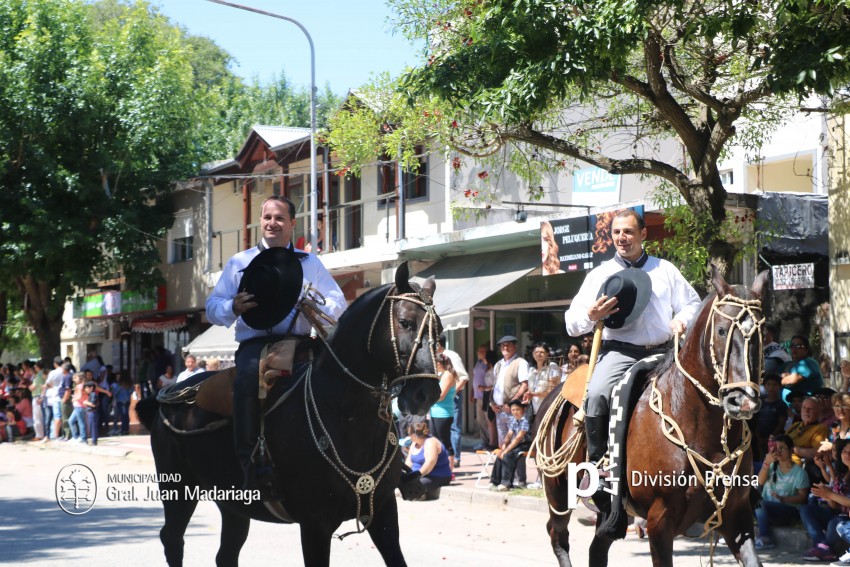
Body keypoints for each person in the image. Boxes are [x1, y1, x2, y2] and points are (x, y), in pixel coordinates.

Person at [205, 195, 346, 496]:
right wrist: (232, 306)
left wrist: (314, 303)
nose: (272, 223)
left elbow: (339, 302)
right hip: (256, 345)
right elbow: (212, 308)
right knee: (246, 381)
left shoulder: (310, 262)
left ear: (292, 224)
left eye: (279, 218)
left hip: (301, 342)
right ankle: (250, 464)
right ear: (260, 221)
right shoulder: (239, 262)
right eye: (267, 217)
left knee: (344, 374)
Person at [564, 209, 701, 509]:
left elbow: (693, 303)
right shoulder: (599, 274)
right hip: (620, 352)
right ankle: (598, 467)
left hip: (666, 350)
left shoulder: (665, 269)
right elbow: (571, 322)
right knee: (597, 393)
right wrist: (590, 315)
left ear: (643, 234)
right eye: (616, 232)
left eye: (628, 231)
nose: (621, 238)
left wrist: (681, 319)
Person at [754, 434, 810, 550]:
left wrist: (783, 499)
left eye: (782, 448)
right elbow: (760, 482)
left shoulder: (800, 473)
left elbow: (803, 497)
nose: (778, 452)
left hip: (788, 511)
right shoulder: (771, 466)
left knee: (758, 502)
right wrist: (766, 463)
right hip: (766, 510)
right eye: (776, 448)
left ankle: (766, 538)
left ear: (791, 450)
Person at [799, 439, 850, 561]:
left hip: (845, 519)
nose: (847, 455)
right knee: (807, 509)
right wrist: (827, 496)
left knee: (836, 523)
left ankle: (825, 549)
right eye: (844, 451)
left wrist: (831, 495)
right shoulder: (841, 473)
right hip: (838, 514)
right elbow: (835, 506)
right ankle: (822, 545)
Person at [490, 335, 530, 446]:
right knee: (502, 444)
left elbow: (524, 385)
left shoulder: (521, 362)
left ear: (515, 347)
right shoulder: (498, 365)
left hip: (514, 410)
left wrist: (511, 403)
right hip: (499, 410)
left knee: (515, 444)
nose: (505, 348)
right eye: (503, 345)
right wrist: (492, 404)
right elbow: (495, 386)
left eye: (508, 345)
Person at [437, 334, 469, 468]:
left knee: (454, 427)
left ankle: (455, 458)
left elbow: (464, 377)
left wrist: (452, 392)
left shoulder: (451, 355)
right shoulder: (434, 356)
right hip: (438, 401)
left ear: (438, 343)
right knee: (439, 431)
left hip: (451, 397)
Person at [489, 399, 532, 491]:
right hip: (518, 444)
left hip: (527, 444)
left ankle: (506, 483)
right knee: (500, 455)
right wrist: (504, 447)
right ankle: (495, 481)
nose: (515, 412)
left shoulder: (526, 420)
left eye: (517, 409)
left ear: (523, 410)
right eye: (513, 410)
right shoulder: (514, 420)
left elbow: (518, 438)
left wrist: (506, 451)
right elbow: (509, 435)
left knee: (508, 455)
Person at [405, 421, 452, 500]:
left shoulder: (430, 443)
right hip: (421, 476)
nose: (409, 436)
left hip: (436, 476)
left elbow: (429, 464)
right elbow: (409, 461)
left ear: (414, 435)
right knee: (404, 484)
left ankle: (422, 495)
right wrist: (405, 474)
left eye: (409, 434)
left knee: (413, 486)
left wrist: (415, 476)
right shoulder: (414, 443)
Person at [430, 354, 457, 470]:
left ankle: (449, 470)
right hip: (434, 412)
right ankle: (439, 468)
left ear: (439, 363)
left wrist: (428, 399)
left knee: (444, 441)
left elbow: (441, 396)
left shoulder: (448, 375)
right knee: (435, 441)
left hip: (443, 413)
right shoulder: (441, 375)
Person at [755, 374, 788, 466]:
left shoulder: (781, 404)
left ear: (779, 387)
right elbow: (756, 421)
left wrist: (770, 437)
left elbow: (781, 423)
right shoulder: (760, 403)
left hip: (775, 439)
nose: (771, 387)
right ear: (764, 386)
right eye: (769, 384)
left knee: (774, 461)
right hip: (760, 439)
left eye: (774, 385)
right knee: (763, 462)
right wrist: (758, 437)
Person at [786, 396, 829, 468]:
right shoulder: (796, 425)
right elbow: (783, 440)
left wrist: (792, 449)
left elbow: (818, 452)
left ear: (818, 411)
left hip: (796, 467)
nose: (806, 411)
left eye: (810, 408)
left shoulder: (820, 428)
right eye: (804, 408)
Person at [781, 335, 824, 399]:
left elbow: (792, 380)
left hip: (806, 403)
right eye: (792, 346)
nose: (794, 349)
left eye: (799, 346)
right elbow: (774, 377)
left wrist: (780, 380)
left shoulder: (809, 363)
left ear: (806, 349)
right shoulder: (787, 364)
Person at [525, 342, 561, 416]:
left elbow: (552, 392)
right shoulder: (531, 370)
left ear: (547, 354)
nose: (539, 354)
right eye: (536, 352)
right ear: (533, 354)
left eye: (542, 352)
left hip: (548, 411)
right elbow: (530, 391)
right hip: (534, 412)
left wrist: (534, 394)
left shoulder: (552, 367)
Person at [470, 343, 494, 451]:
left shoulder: (489, 365)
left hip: (487, 396)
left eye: (480, 350)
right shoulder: (478, 363)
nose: (478, 352)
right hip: (478, 396)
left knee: (488, 420)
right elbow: (475, 378)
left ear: (485, 352)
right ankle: (484, 442)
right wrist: (472, 392)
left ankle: (490, 442)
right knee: (481, 420)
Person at [83, 381, 98, 446]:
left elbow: (93, 404)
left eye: (87, 388)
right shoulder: (91, 394)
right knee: (90, 427)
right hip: (89, 412)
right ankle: (92, 440)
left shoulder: (93, 394)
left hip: (92, 412)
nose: (86, 389)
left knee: (93, 427)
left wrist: (86, 402)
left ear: (91, 388)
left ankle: (94, 441)